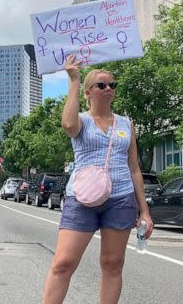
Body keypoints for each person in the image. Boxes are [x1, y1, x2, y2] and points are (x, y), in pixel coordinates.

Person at [42, 55, 154, 304]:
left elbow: (134, 168)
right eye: (101, 85)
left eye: (112, 85)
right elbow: (68, 125)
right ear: (88, 92)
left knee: (112, 264)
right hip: (82, 198)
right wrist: (73, 79)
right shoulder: (82, 119)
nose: (108, 89)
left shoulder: (127, 124)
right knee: (63, 262)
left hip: (121, 198)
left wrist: (144, 212)